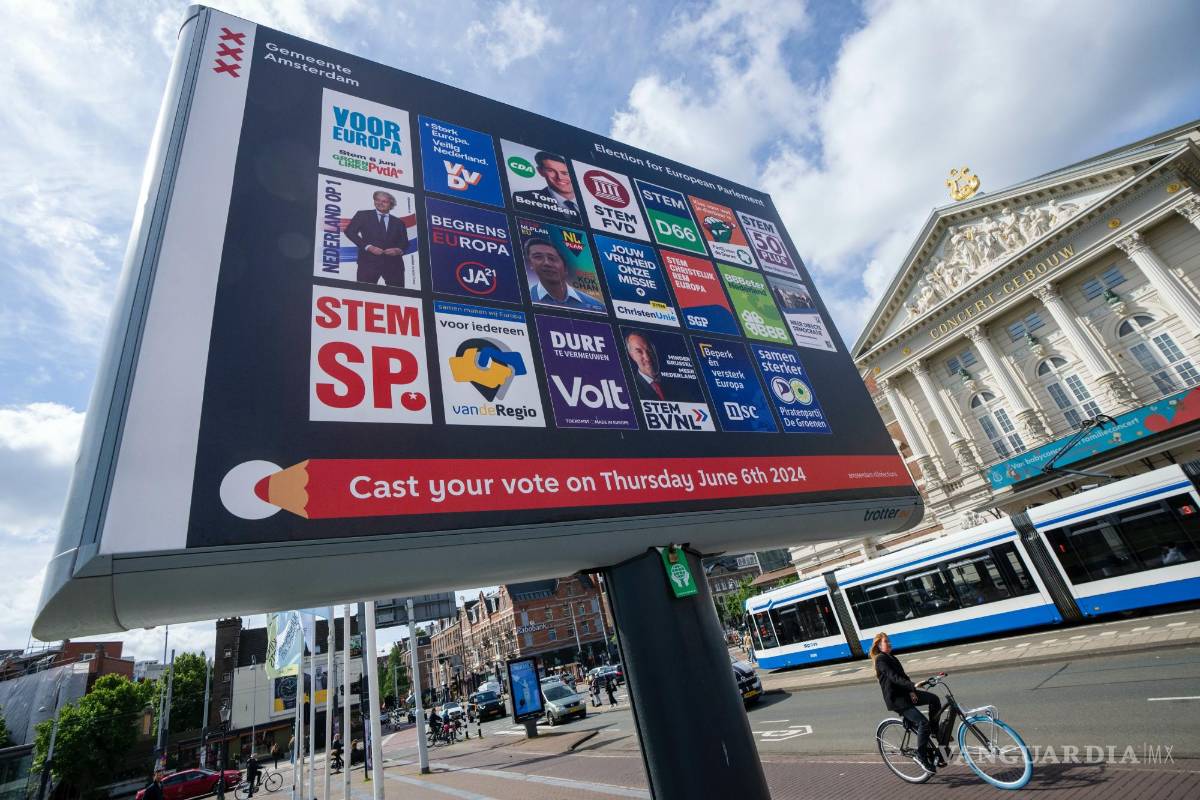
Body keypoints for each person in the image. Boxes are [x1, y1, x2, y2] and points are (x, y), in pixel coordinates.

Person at [870, 632, 941, 773]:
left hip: (906, 693)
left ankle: (934, 730)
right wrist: (913, 686)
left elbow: (903, 676)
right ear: (878, 645)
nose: (889, 643)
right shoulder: (880, 660)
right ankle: (922, 756)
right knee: (922, 723)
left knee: (934, 699)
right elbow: (894, 677)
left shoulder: (892, 657)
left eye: (889, 641)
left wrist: (911, 691)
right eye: (886, 641)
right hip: (896, 700)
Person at [343, 190, 409, 287]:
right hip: (368, 264)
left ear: (391, 204)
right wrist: (368, 247)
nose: (380, 203)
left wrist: (398, 250)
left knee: (398, 296)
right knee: (364, 294)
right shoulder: (362, 215)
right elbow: (350, 232)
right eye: (377, 200)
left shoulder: (399, 222)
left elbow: (404, 242)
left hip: (394, 265)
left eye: (384, 201)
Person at [523, 236, 605, 311]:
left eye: (552, 258)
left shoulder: (597, 306)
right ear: (530, 264)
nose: (547, 263)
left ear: (565, 268)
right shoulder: (524, 299)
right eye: (538, 257)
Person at [512, 151, 580, 222]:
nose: (560, 177)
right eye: (551, 171)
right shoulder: (525, 198)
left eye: (565, 173)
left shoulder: (589, 202)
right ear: (540, 171)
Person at [623, 331, 691, 401]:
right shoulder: (631, 388)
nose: (647, 358)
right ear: (632, 356)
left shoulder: (677, 383)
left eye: (649, 350)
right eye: (639, 351)